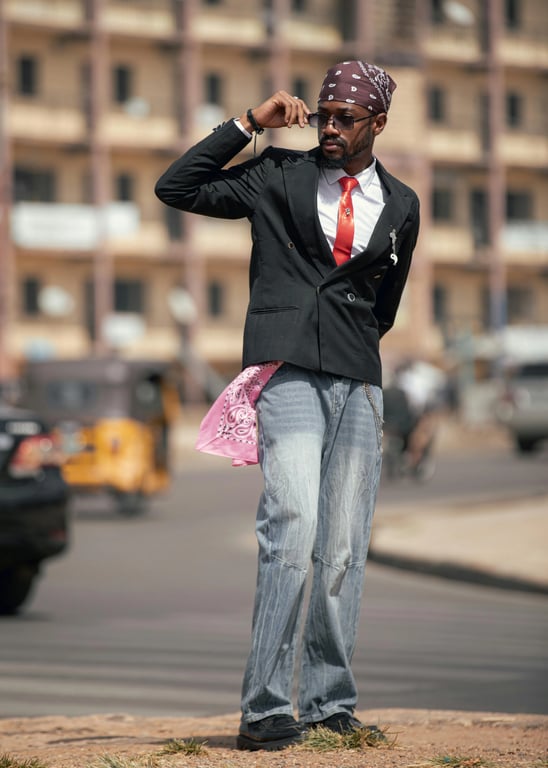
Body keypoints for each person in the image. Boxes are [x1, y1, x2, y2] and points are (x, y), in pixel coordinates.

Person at [155, 60, 420, 751]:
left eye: (346, 119)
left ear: (377, 125)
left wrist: (354, 346)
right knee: (293, 525)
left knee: (341, 549)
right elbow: (176, 186)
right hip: (288, 370)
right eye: (324, 114)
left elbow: (382, 305)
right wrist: (248, 124)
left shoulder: (403, 205)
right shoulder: (276, 174)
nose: (330, 127)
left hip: (358, 380)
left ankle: (331, 702)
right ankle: (267, 706)